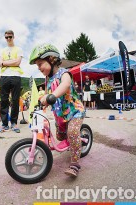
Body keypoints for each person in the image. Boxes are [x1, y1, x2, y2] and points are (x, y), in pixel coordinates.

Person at [29, 43, 85, 177]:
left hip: (74, 111)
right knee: (60, 136)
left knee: (71, 133)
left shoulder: (63, 73)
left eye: (40, 63)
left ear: (51, 59)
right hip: (60, 114)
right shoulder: (48, 79)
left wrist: (52, 96)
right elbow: (49, 94)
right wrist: (44, 102)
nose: (39, 68)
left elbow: (65, 85)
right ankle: (75, 141)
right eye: (37, 66)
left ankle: (75, 164)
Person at [0, 30, 23, 133]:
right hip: (4, 76)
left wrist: (5, 63)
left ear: (13, 37)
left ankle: (14, 123)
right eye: (6, 37)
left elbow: (18, 62)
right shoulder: (2, 50)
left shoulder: (18, 49)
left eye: (10, 37)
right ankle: (4, 124)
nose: (8, 39)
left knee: (15, 100)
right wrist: (10, 62)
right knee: (4, 100)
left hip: (15, 75)